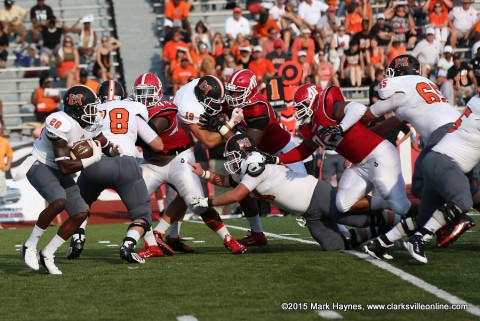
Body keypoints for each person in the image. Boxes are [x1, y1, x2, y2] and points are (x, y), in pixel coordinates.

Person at [189, 133, 402, 250]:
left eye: (234, 155)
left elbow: (237, 195)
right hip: (308, 212)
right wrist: (204, 174)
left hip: (316, 195)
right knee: (334, 245)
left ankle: (402, 216)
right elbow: (229, 181)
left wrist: (207, 202)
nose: (232, 160)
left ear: (245, 154)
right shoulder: (247, 166)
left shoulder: (255, 164)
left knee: (358, 219)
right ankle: (382, 232)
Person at [360, 55, 464, 259]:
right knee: (430, 188)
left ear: (398, 72)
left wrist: (352, 126)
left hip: (441, 134)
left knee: (422, 188)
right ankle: (447, 219)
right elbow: (393, 123)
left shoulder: (399, 85)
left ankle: (454, 219)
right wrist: (369, 133)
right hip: (459, 128)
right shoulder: (423, 85)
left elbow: (373, 110)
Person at [132, 73, 246, 255]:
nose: (144, 98)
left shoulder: (168, 109)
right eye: (140, 93)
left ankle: (228, 239)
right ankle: (153, 242)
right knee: (136, 202)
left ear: (158, 93)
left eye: (148, 93)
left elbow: (207, 141)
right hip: (152, 163)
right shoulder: (182, 104)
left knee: (197, 202)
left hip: (178, 159)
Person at [265, 84, 413, 218]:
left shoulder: (328, 107)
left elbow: (358, 109)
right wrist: (278, 159)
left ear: (313, 100)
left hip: (378, 154)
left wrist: (341, 127)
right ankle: (385, 205)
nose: (300, 111)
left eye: (303, 105)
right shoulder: (311, 127)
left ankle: (434, 220)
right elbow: (304, 150)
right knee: (343, 203)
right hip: (359, 165)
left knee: (400, 206)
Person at [19, 85, 121, 275]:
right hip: (40, 165)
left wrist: (114, 151)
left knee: (81, 212)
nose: (94, 112)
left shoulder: (90, 123)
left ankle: (47, 254)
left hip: (59, 170)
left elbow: (104, 143)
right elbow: (64, 166)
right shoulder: (60, 122)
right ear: (76, 108)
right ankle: (29, 245)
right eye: (90, 108)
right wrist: (92, 158)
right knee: (58, 201)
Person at [199, 70, 307, 245]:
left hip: (281, 151)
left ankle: (339, 230)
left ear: (249, 91)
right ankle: (257, 233)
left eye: (237, 92)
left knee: (304, 202)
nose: (232, 96)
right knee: (241, 188)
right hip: (257, 154)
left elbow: (245, 144)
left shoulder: (258, 107)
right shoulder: (233, 101)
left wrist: (222, 126)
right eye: (230, 91)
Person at [66, 80, 165, 262]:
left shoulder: (92, 111)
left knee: (82, 204)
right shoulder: (132, 108)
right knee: (142, 215)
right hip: (125, 164)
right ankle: (128, 244)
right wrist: (133, 137)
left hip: (94, 162)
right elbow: (157, 145)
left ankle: (77, 237)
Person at [403, 96, 479, 263]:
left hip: (448, 142)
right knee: (464, 194)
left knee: (422, 188)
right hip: (454, 146)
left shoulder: (474, 100)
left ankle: (453, 220)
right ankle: (443, 225)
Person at [0, 122, 12, 204]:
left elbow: (9, 154)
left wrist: (8, 165)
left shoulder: (4, 142)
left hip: (0, 170)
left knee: (1, 191)